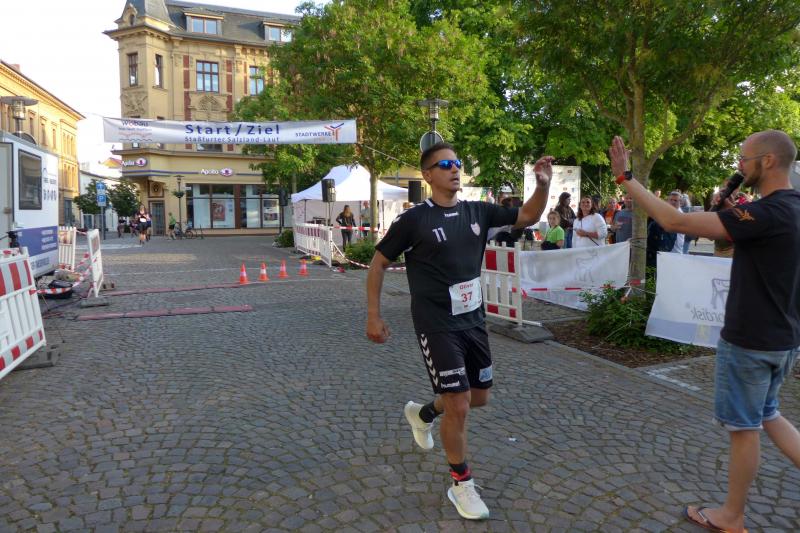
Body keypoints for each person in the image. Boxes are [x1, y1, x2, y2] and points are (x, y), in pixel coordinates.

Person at [609, 131, 800, 533]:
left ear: (768, 161)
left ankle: (732, 516)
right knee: (769, 413)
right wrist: (731, 217)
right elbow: (755, 245)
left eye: (744, 159)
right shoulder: (789, 208)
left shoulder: (764, 213)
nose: (739, 166)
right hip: (784, 338)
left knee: (744, 429)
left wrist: (626, 179)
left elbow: (674, 221)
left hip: (750, 339)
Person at [366, 142, 553, 520]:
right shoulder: (414, 220)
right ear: (428, 175)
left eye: (458, 163)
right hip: (436, 324)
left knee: (478, 397)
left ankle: (423, 413)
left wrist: (543, 184)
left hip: (473, 321)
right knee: (460, 403)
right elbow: (378, 263)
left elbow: (529, 215)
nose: (454, 169)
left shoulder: (478, 211)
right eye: (445, 164)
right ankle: (461, 484)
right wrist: (373, 315)